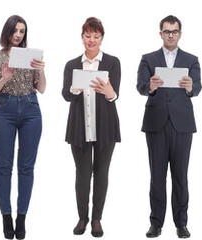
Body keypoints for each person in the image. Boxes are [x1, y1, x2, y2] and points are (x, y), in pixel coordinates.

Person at [137, 15, 199, 239]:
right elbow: (140, 86)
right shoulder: (148, 59)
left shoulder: (191, 59)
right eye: (166, 31)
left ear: (180, 34)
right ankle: (156, 223)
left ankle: (181, 223)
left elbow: (198, 87)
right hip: (156, 123)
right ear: (160, 33)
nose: (170, 35)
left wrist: (191, 87)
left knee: (181, 175)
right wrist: (150, 87)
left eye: (174, 31)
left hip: (182, 124)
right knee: (157, 175)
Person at [0, 15, 46, 240]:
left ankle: (22, 218)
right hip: (5, 109)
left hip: (31, 108)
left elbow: (42, 89)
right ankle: (6, 217)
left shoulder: (31, 57)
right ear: (7, 32)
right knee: (3, 166)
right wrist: (4, 77)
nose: (18, 35)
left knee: (27, 167)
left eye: (22, 31)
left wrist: (40, 69)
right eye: (15, 30)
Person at [62, 17, 121, 238]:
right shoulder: (72, 65)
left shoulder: (113, 62)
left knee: (102, 173)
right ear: (82, 37)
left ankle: (97, 218)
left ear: (102, 38)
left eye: (96, 36)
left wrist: (110, 93)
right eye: (88, 36)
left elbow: (115, 95)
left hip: (105, 127)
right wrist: (76, 88)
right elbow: (66, 94)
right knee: (83, 174)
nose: (92, 40)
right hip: (80, 126)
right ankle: (82, 217)